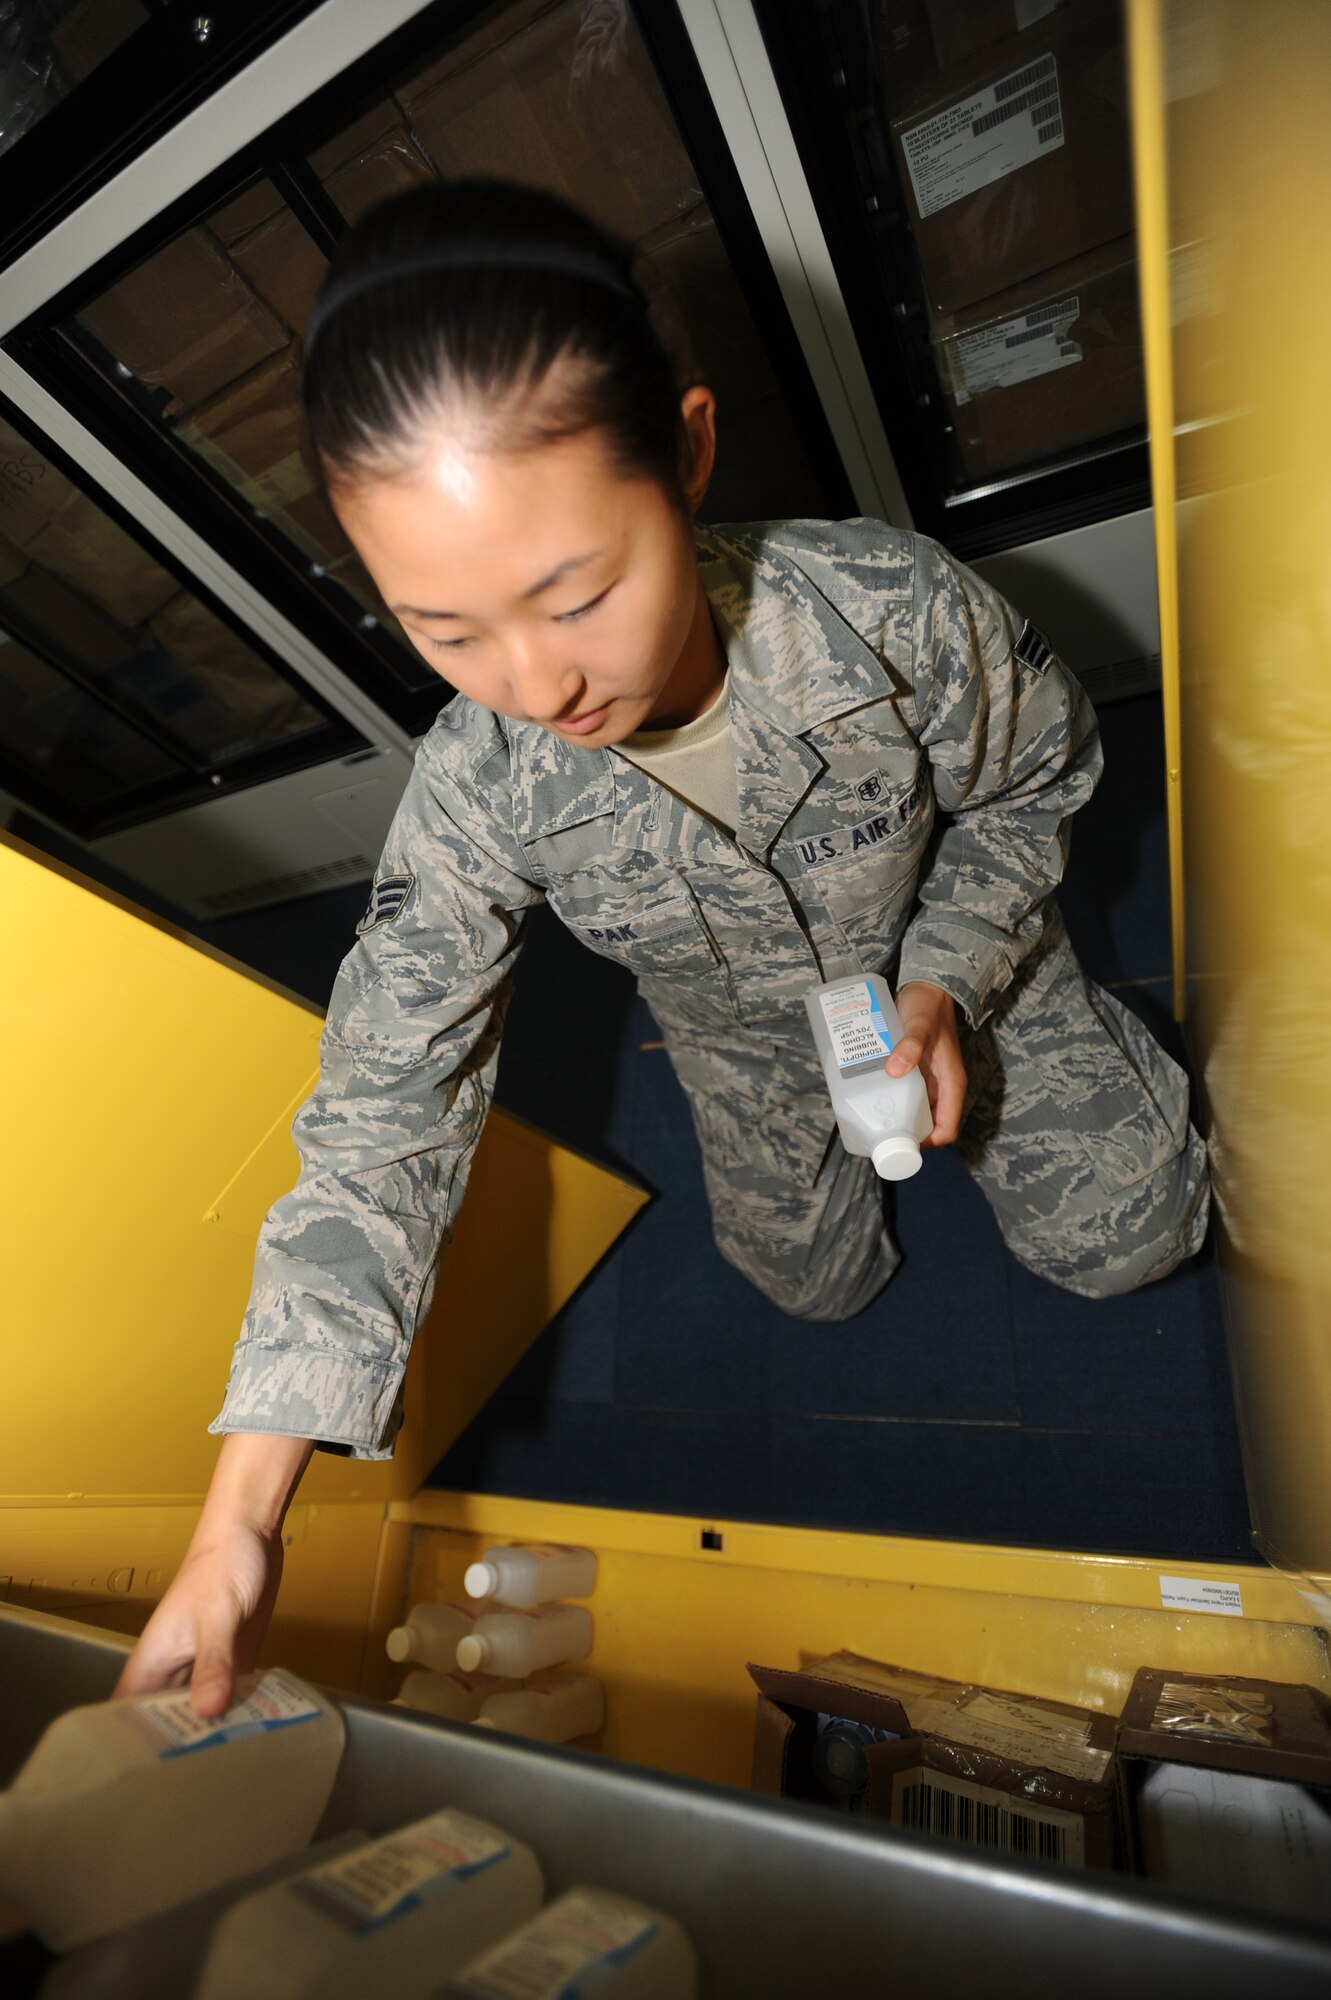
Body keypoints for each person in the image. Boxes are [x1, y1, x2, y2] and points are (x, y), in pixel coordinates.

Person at [116, 178, 1209, 1717]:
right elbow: (381, 1110)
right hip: (747, 1038)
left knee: (1140, 1234)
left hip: (963, 957)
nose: (534, 683)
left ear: (687, 453)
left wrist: (951, 979)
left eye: (577, 596)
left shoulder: (889, 612)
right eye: (446, 631)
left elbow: (1037, 785)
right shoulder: (476, 788)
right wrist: (239, 1522)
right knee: (811, 1290)